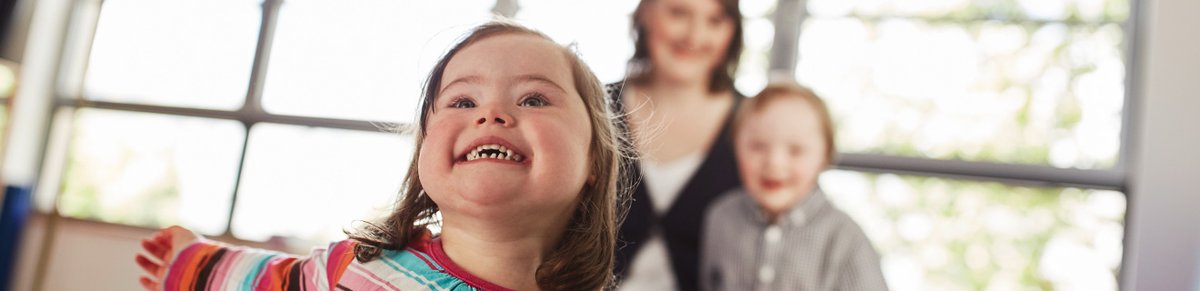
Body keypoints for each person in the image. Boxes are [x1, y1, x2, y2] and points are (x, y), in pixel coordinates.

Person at [133, 20, 625, 291]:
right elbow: (274, 283)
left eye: (534, 99)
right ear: (424, 154)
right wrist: (192, 263)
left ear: (594, 161)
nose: (491, 113)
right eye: (462, 102)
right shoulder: (356, 269)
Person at [607, 0, 745, 290]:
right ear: (645, 13)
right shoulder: (595, 107)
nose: (694, 36)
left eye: (716, 21)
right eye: (679, 13)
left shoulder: (754, 125)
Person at [700, 83, 887, 291]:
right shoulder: (720, 217)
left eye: (796, 150)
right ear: (736, 147)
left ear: (825, 156)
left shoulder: (844, 237)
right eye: (758, 146)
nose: (774, 162)